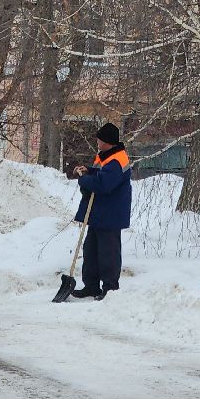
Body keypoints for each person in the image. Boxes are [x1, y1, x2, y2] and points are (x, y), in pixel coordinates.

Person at [71, 122, 132, 300]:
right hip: (99, 213)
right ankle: (91, 286)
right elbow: (98, 174)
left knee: (108, 254)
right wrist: (88, 170)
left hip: (110, 214)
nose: (97, 141)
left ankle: (110, 288)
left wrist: (84, 180)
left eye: (100, 139)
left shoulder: (117, 160)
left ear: (108, 141)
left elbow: (103, 184)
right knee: (91, 250)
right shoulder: (105, 156)